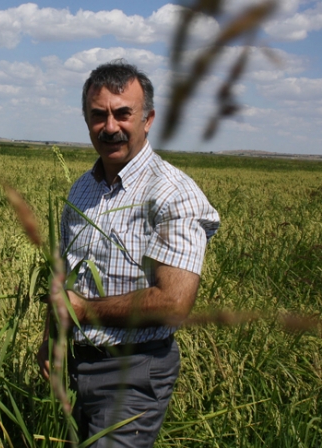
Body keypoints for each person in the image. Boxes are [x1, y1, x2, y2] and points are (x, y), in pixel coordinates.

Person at [37, 60, 220, 447]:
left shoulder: (174, 194)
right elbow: (64, 278)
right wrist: (50, 337)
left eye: (123, 114)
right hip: (75, 364)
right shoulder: (81, 190)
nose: (110, 127)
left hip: (133, 371)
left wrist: (85, 310)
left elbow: (173, 302)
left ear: (148, 119)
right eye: (98, 115)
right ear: (86, 119)